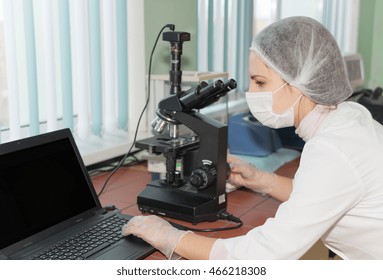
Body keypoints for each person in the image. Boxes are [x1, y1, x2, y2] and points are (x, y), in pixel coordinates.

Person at [121, 16, 383, 259]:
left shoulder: (332, 149)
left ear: (298, 83)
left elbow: (265, 254)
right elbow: (320, 195)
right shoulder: (349, 117)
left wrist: (171, 238)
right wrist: (262, 180)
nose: (251, 92)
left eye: (259, 82)